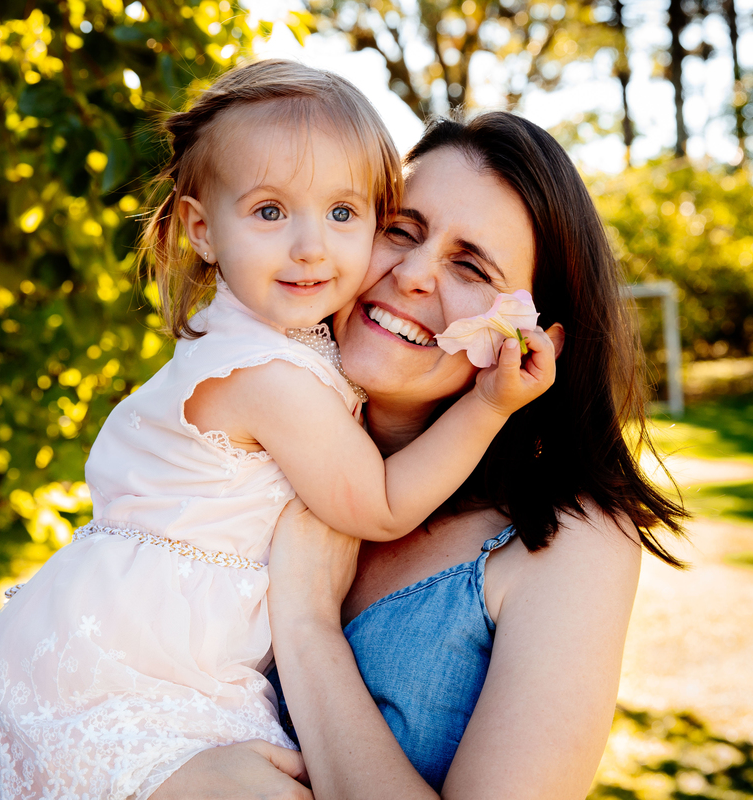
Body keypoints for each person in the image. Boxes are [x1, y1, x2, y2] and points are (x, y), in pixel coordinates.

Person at [0, 63, 558, 800]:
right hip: (126, 676)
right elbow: (381, 504)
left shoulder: (273, 342)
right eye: (271, 211)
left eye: (344, 213)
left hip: (110, 652)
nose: (311, 247)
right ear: (201, 230)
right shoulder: (271, 374)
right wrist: (490, 406)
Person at [152, 113, 687, 799]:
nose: (412, 274)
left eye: (470, 266)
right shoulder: (238, 455)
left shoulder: (568, 543)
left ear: (535, 343)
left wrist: (309, 625)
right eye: (400, 228)